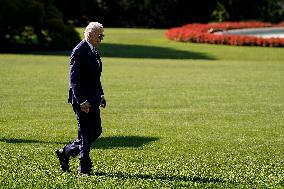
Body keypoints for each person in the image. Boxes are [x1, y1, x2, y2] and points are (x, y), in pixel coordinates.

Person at [55, 22, 106, 175]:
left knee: (96, 131)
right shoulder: (79, 50)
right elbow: (74, 79)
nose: (102, 38)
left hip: (94, 98)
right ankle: (84, 168)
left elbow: (95, 78)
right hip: (82, 100)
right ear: (90, 34)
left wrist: (101, 94)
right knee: (85, 132)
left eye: (103, 36)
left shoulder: (93, 50)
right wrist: (82, 100)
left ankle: (65, 152)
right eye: (100, 35)